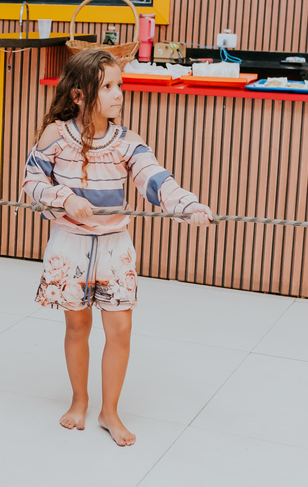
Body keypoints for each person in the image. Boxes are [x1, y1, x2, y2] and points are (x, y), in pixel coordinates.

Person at [22, 49, 213, 446]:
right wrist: (64, 197)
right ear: (79, 95)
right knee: (77, 326)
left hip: (114, 246)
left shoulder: (128, 142)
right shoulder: (55, 135)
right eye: (107, 87)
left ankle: (109, 411)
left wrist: (188, 205)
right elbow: (31, 182)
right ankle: (79, 401)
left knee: (121, 328)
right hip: (70, 244)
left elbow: (156, 180)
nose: (118, 94)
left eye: (119, 85)